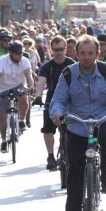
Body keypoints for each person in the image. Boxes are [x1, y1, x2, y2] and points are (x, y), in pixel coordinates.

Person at [49, 35, 106, 211]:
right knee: (75, 169)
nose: (86, 57)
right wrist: (57, 113)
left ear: (97, 54)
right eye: (82, 53)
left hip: (103, 117)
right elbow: (58, 99)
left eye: (90, 53)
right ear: (76, 54)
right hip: (78, 122)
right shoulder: (68, 74)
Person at [33, 36, 75, 170]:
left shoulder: (72, 65)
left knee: (74, 130)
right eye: (56, 50)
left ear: (66, 49)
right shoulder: (47, 66)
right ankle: (50, 155)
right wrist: (38, 96)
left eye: (61, 49)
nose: (59, 52)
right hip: (52, 102)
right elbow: (41, 82)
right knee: (48, 129)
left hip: (71, 102)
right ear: (51, 50)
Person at [0, 40, 34, 154]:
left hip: (19, 85)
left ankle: (21, 120)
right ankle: (3, 141)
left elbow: (29, 75)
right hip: (3, 88)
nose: (20, 55)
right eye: (17, 53)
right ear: (10, 53)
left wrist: (30, 87)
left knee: (24, 96)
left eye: (21, 53)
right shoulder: (2, 60)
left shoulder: (24, 60)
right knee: (2, 117)